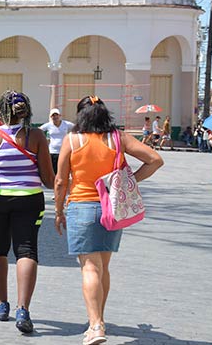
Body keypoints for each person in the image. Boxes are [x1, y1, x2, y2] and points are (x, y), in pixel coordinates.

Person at [54, 96, 162, 345]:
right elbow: (155, 159)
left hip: (82, 207)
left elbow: (61, 181)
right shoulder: (118, 137)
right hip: (112, 209)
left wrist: (59, 212)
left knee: (89, 268)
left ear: (80, 115)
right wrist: (129, 181)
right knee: (102, 267)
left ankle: (96, 326)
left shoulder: (73, 139)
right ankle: (98, 318)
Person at [0, 90, 54, 335]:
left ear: (1, 111)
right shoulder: (37, 136)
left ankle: (2, 305)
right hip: (30, 201)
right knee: (27, 250)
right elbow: (48, 178)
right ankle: (23, 310)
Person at [39, 108, 74, 175]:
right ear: (51, 117)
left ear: (59, 115)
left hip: (64, 151)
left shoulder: (66, 124)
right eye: (53, 115)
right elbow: (39, 130)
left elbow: (76, 128)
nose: (55, 117)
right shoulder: (48, 125)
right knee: (53, 170)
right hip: (53, 151)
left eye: (56, 115)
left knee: (63, 170)